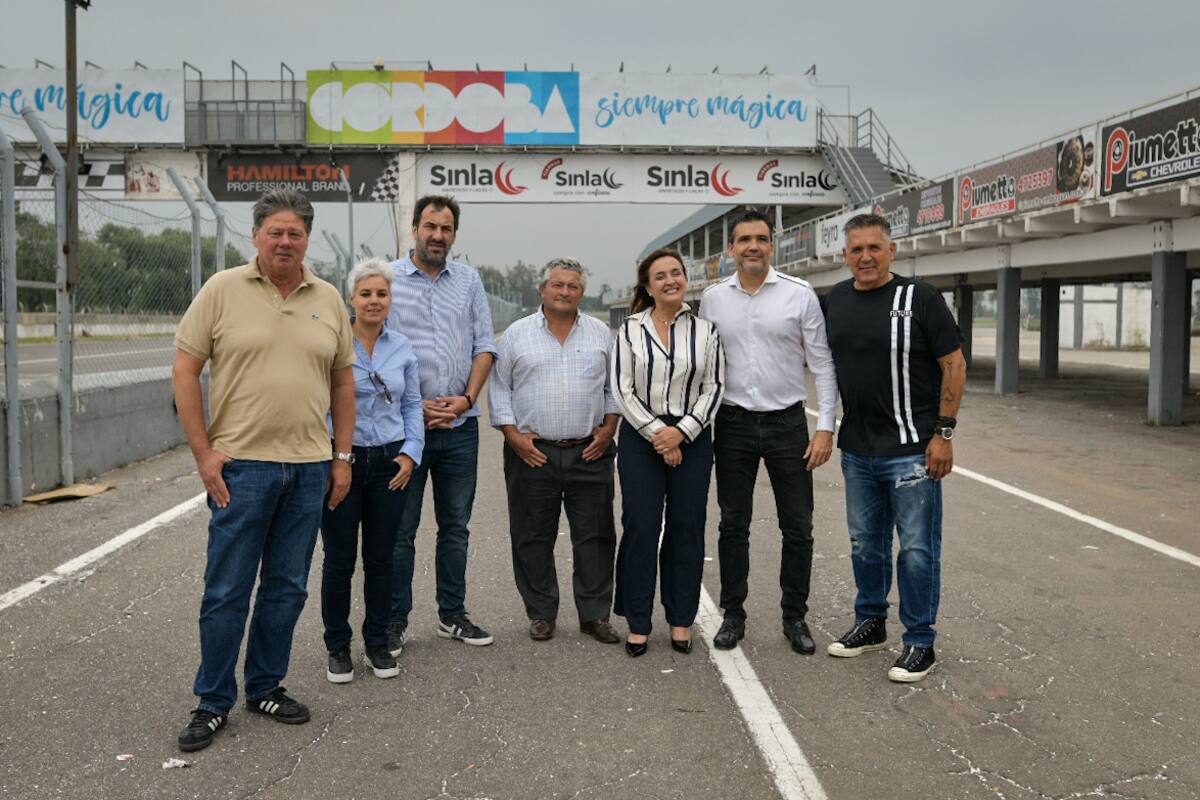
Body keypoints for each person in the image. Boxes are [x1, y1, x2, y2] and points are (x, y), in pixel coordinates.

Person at [172, 189, 355, 752]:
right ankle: (213, 701)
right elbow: (185, 371)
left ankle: (267, 685)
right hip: (241, 469)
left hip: (307, 469)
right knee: (226, 589)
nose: (285, 241)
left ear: (306, 238)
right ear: (255, 235)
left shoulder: (327, 297)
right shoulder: (222, 290)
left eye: (295, 232)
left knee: (287, 587)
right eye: (275, 231)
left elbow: (343, 381)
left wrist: (341, 456)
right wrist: (204, 454)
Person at [822, 212, 966, 683]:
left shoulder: (919, 297)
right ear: (844, 255)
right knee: (866, 544)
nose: (865, 257)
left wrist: (943, 434)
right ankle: (871, 622)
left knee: (917, 550)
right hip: (857, 450)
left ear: (892, 251)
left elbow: (954, 364)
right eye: (856, 249)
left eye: (874, 248)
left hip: (912, 452)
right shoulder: (835, 300)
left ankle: (920, 641)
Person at [698, 209, 838, 655]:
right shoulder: (713, 299)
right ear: (731, 249)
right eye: (744, 239)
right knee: (732, 525)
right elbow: (703, 365)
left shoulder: (800, 294)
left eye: (761, 238)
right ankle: (733, 615)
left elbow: (822, 364)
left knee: (797, 526)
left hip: (787, 424)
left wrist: (825, 428)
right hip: (733, 423)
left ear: (772, 244)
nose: (753, 246)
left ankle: (794, 617)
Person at [489, 257, 621, 644]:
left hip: (589, 451)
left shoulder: (600, 334)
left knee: (595, 536)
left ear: (582, 292)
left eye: (573, 286)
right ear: (542, 289)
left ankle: (594, 615)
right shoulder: (516, 335)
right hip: (532, 452)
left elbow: (615, 388)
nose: (565, 291)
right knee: (532, 535)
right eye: (557, 285)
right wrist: (513, 436)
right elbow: (499, 388)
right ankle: (541, 612)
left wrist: (608, 430)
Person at [387, 195, 497, 650]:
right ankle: (393, 622)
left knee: (456, 527)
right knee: (400, 532)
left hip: (460, 427)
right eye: (430, 226)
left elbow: (485, 346)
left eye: (446, 228)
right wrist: (414, 406)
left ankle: (453, 614)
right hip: (406, 429)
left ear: (454, 235)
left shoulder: (469, 281)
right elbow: (372, 347)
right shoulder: (387, 280)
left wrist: (467, 399)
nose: (437, 235)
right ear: (414, 228)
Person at [611, 248, 724, 657]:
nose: (670, 280)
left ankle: (681, 619)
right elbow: (621, 390)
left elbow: (714, 388)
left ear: (685, 279)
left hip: (692, 439)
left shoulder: (706, 331)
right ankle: (638, 621)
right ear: (647, 286)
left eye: (676, 273)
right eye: (660, 276)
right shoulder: (629, 331)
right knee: (640, 526)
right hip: (642, 438)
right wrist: (661, 435)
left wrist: (682, 434)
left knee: (686, 529)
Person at [320, 258, 425, 683]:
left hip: (388, 463)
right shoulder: (332, 343)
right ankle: (338, 647)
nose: (374, 301)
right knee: (339, 560)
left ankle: (378, 644)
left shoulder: (401, 347)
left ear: (390, 299)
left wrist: (411, 453)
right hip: (342, 461)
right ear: (351, 298)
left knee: (381, 559)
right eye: (366, 293)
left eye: (381, 293)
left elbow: (412, 403)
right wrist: (330, 458)